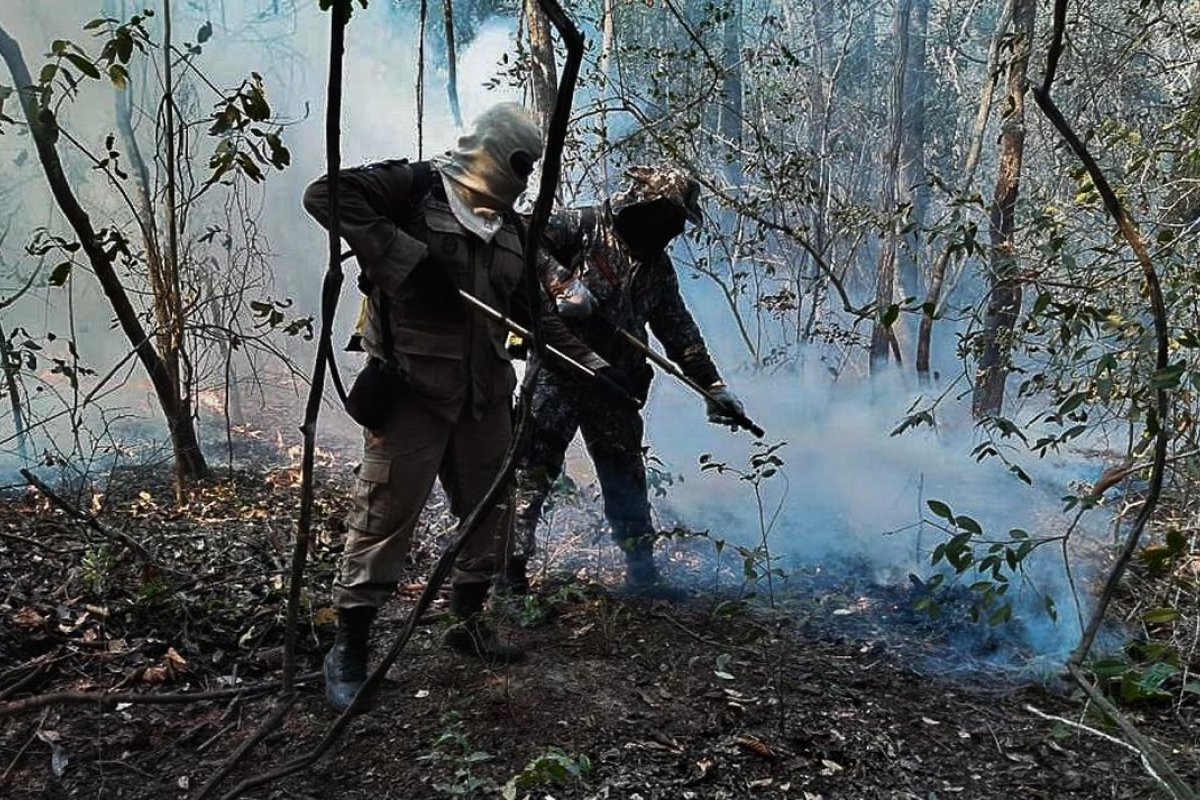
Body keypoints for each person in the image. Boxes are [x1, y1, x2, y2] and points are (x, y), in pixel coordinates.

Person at [302, 103, 623, 711]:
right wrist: (403, 258)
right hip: (413, 391)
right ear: (494, 150)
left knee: (489, 514)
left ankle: (467, 622)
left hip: (485, 395)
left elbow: (540, 317)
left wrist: (595, 367)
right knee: (384, 516)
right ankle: (347, 650)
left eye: (532, 170)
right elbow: (326, 195)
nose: (524, 180)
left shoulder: (511, 231)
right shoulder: (416, 187)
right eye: (519, 164)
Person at [508, 165, 746, 599]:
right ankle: (509, 575)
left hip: (616, 385)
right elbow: (520, 238)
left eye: (679, 223)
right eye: (670, 217)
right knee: (531, 471)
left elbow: (679, 331)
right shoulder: (580, 226)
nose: (673, 230)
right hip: (559, 375)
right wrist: (560, 282)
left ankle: (642, 573)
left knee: (626, 478)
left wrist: (712, 387)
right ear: (644, 205)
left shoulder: (657, 269)